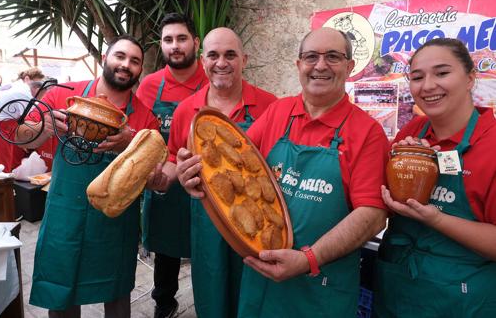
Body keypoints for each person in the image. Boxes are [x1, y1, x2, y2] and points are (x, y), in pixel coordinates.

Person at [178, 27, 389, 317]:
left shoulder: (368, 133)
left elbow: (373, 215)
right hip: (262, 281)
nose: (320, 65)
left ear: (350, 66)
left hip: (320, 287)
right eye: (311, 57)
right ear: (299, 65)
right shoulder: (279, 112)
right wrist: (194, 176)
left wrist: (308, 259)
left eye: (333, 57)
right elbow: (234, 167)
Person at [18, 35, 159, 318]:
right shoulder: (64, 95)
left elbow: (154, 176)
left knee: (116, 294)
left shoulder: (145, 119)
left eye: (134, 61)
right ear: (105, 59)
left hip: (114, 222)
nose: (125, 65)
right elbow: (23, 140)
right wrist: (42, 128)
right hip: (64, 214)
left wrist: (129, 145)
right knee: (61, 292)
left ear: (139, 70)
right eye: (120, 56)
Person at [148, 27, 277, 318]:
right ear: (203, 60)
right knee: (211, 294)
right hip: (207, 222)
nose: (222, 63)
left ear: (244, 59)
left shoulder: (272, 106)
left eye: (230, 55)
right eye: (214, 55)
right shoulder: (186, 110)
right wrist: (166, 178)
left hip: (258, 223)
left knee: (253, 297)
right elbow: (172, 156)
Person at [375, 38, 496, 317]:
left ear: (469, 78)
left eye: (442, 73)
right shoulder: (413, 132)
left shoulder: (491, 143)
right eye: (417, 77)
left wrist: (436, 219)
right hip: (397, 289)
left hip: (461, 300)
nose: (428, 85)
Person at [136, 13, 208, 318]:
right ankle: (164, 304)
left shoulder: (212, 80)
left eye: (181, 38)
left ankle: (210, 303)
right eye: (168, 40)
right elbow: (139, 132)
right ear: (161, 46)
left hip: (204, 183)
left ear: (195, 42)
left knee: (206, 250)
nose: (175, 46)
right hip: (163, 181)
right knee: (165, 252)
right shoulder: (150, 86)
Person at [0, 68, 55, 172]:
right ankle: (10, 180)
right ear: (38, 90)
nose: (44, 98)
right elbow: (31, 120)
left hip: (3, 123)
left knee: (5, 158)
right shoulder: (25, 94)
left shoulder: (20, 87)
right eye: (44, 94)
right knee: (11, 159)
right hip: (6, 126)